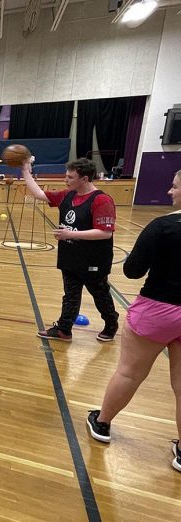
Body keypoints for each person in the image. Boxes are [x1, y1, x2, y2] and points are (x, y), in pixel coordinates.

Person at [86, 170, 181, 474]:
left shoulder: (163, 227)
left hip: (158, 310)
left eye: (175, 186)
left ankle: (102, 423)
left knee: (129, 373)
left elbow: (132, 271)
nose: (170, 191)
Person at [22, 157, 119, 342]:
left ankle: (111, 323)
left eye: (70, 177)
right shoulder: (68, 195)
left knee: (100, 294)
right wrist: (26, 171)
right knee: (71, 295)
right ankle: (64, 329)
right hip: (70, 256)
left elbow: (105, 233)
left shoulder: (101, 200)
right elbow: (40, 194)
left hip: (94, 259)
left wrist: (71, 234)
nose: (65, 180)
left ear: (85, 179)